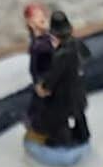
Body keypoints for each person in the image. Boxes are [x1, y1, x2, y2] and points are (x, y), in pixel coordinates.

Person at [38, 9, 91, 148]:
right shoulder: (77, 43)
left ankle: (62, 139)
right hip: (79, 89)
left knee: (58, 118)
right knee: (79, 115)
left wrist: (45, 87)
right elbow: (87, 56)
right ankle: (83, 134)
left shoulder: (61, 55)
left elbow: (54, 75)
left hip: (65, 96)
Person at [24, 2, 53, 138]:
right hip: (44, 77)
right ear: (30, 22)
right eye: (37, 16)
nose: (42, 18)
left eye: (43, 15)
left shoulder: (48, 38)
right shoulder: (37, 45)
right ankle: (37, 124)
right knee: (42, 103)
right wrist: (38, 82)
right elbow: (34, 67)